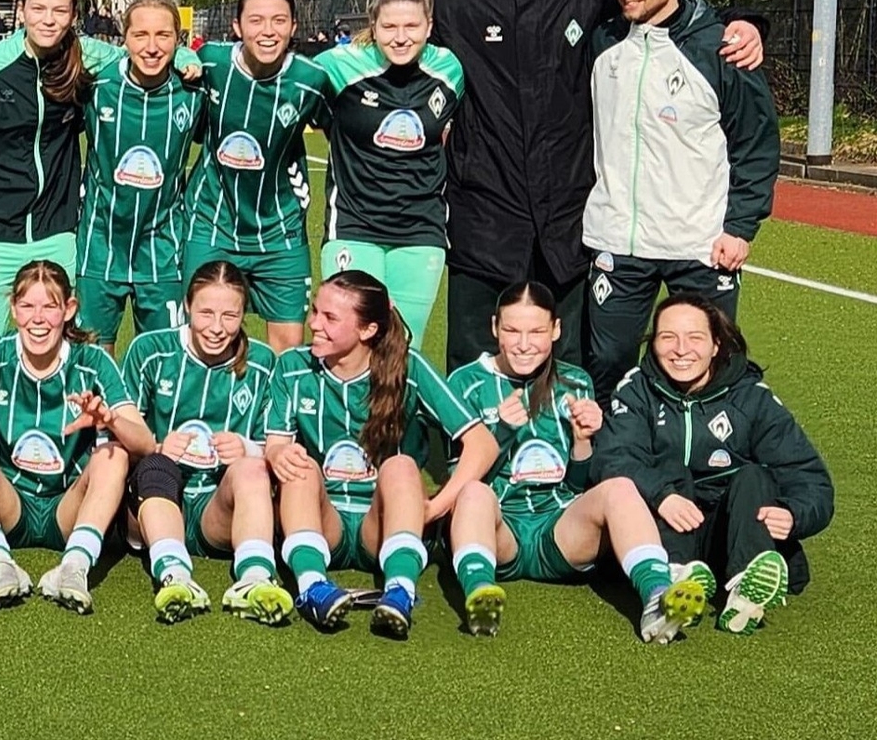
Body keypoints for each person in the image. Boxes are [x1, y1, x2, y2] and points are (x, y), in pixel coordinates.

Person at [432, 0, 766, 372]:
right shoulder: (455, 5)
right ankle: (470, 447)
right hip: (484, 212)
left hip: (566, 219)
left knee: (571, 359)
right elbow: (398, 29)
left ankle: (569, 449)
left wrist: (747, 21)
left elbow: (668, 2)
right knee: (475, 352)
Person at [581, 0, 780, 400]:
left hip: (700, 241)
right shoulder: (602, 41)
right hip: (618, 239)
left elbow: (756, 144)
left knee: (710, 363)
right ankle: (611, 467)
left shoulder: (721, 50)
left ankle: (710, 467)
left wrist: (740, 226)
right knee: (607, 364)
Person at [446, 283, 711, 642]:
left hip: (560, 531)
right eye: (512, 330)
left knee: (619, 487)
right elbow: (458, 484)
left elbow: (574, 485)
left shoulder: (575, 382)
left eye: (537, 331)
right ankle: (480, 593)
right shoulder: (464, 383)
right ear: (495, 328)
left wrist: (584, 443)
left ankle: (658, 595)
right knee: (475, 494)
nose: (524, 344)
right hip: (499, 530)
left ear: (556, 329)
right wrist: (502, 433)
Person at [0, 0, 193, 347]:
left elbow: (142, 50)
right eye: (38, 8)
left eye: (60, 10)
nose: (48, 19)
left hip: (57, 232)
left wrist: (179, 56)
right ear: (22, 10)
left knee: (58, 347)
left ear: (74, 15)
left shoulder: (88, 59)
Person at [264, 270, 498, 637]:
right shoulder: (293, 366)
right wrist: (277, 453)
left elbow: (483, 444)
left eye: (330, 318)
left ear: (367, 330)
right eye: (314, 312)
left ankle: (400, 592)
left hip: (384, 523)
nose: (314, 325)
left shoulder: (409, 367)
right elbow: (276, 441)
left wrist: (437, 507)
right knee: (299, 465)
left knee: (402, 465)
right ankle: (312, 587)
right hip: (325, 521)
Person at [598, 295, 833, 635]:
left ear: (715, 344)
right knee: (667, 470)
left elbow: (811, 479)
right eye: (668, 337)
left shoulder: (751, 396)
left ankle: (746, 587)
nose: (681, 349)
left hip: (732, 531)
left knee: (754, 477)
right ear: (653, 344)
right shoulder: (636, 389)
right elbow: (612, 458)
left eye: (694, 337)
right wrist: (662, 495)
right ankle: (679, 577)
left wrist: (795, 515)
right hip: (670, 526)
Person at [0, 260, 156, 614]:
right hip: (11, 503)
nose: (38, 319)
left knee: (115, 453)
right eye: (27, 306)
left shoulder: (92, 361)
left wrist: (110, 419)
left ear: (69, 309)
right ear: (14, 309)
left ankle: (74, 568)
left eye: (50, 306)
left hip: (68, 506)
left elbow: (146, 444)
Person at [122, 263, 289, 625]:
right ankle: (175, 575)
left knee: (251, 467)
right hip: (156, 504)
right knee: (156, 465)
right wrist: (155, 447)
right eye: (206, 313)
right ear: (186, 306)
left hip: (221, 513)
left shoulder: (263, 363)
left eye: (230, 315)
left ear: (245, 314)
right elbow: (117, 438)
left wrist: (248, 448)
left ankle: (255, 579)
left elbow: (278, 446)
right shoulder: (149, 351)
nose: (217, 328)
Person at [312, 0, 464, 348]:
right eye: (390, 26)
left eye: (411, 26)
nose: (400, 37)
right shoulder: (339, 65)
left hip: (420, 231)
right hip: (353, 226)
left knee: (402, 349)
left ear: (429, 26)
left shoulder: (449, 70)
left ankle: (398, 412)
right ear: (373, 26)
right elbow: (279, 67)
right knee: (348, 345)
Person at [184, 0, 331, 351]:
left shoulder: (310, 81)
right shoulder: (212, 63)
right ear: (237, 27)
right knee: (204, 342)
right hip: (211, 225)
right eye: (256, 21)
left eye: (279, 20)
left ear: (294, 27)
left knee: (288, 353)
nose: (268, 31)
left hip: (280, 232)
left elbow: (347, 136)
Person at [74, 0, 202, 351]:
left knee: (164, 363)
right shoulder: (96, 88)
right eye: (140, 35)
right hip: (99, 248)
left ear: (178, 40)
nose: (151, 47)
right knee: (93, 370)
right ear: (124, 38)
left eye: (163, 35)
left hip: (163, 251)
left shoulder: (193, 92)